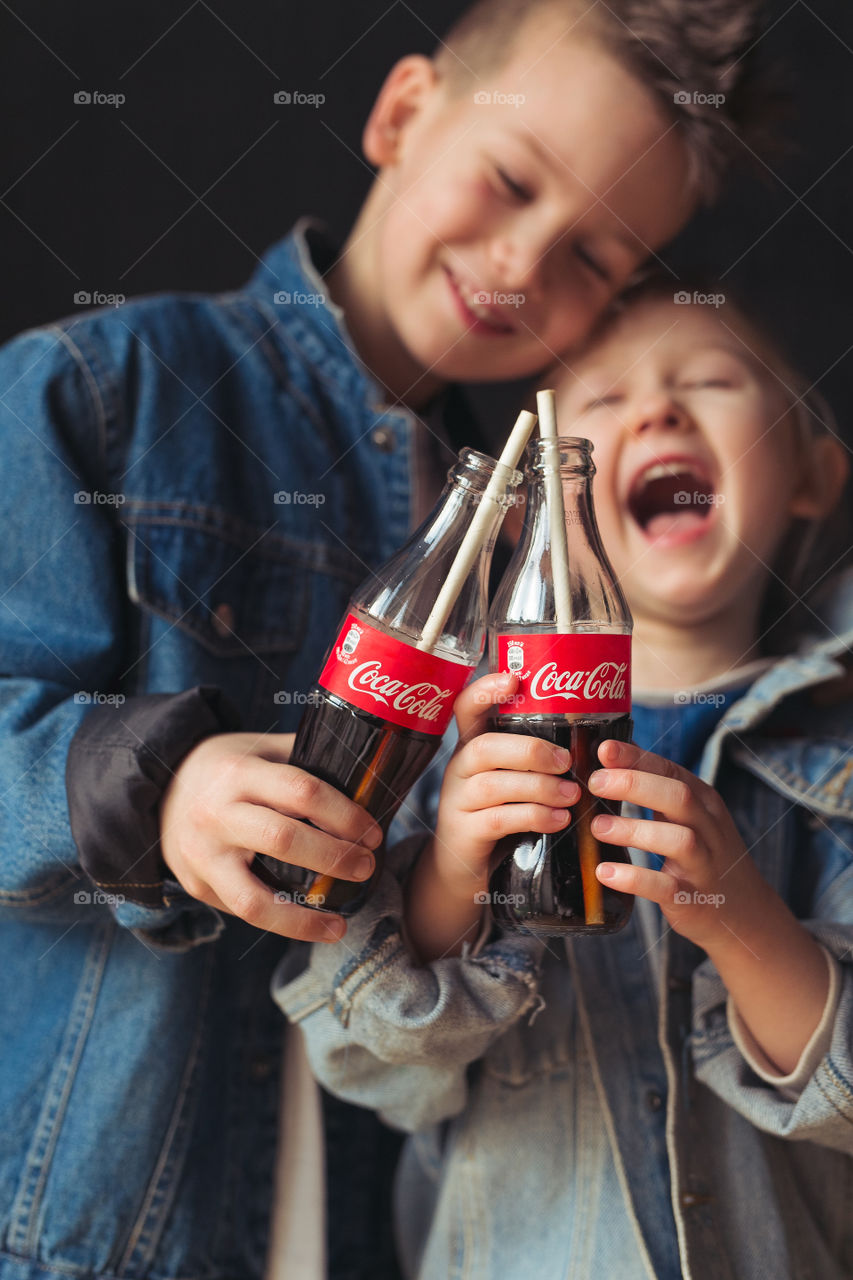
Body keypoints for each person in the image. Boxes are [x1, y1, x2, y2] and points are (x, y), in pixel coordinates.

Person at [0, 3, 771, 1278]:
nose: (523, 262)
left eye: (593, 256)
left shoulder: (552, 550)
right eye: (512, 181)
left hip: (383, 1228)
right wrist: (157, 783)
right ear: (403, 112)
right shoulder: (100, 390)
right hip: (93, 1223)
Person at [274, 277, 853, 1279]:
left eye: (710, 380)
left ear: (814, 469)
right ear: (524, 514)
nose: (657, 409)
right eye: (598, 399)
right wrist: (454, 870)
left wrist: (742, 918)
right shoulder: (457, 748)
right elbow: (369, 1065)